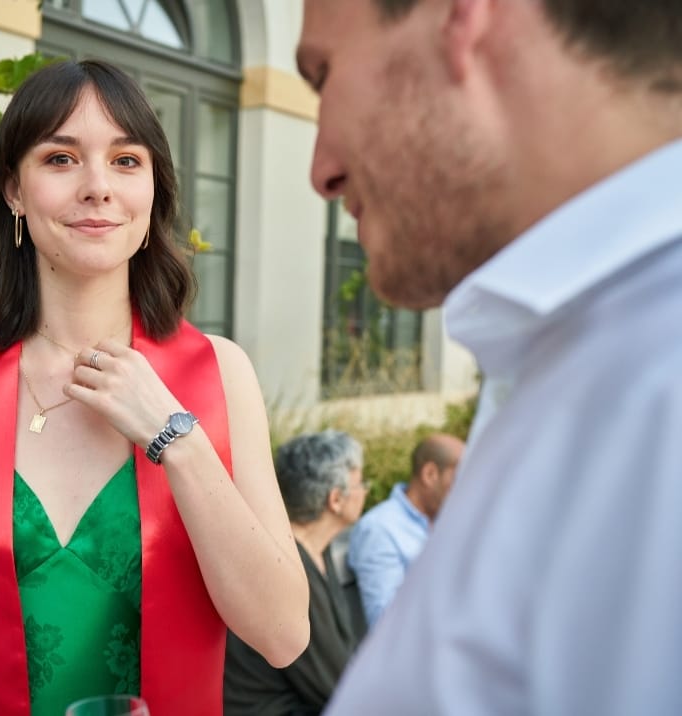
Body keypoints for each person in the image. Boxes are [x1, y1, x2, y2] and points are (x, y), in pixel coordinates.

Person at [0, 59, 309, 716]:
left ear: (154, 189)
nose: (98, 187)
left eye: (126, 160)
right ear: (14, 190)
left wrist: (174, 436)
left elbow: (284, 635)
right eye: (61, 159)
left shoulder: (218, 375)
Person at [297, 0, 682, 713]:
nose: (322, 170)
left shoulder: (654, 387)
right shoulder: (576, 350)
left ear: (461, 19)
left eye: (323, 75)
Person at [224, 430, 369, 716]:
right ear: (336, 500)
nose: (365, 490)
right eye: (360, 483)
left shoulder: (314, 550)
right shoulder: (291, 568)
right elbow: (337, 687)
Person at [347, 433, 463, 626]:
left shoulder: (449, 520)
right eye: (460, 478)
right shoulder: (380, 529)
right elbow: (385, 622)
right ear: (430, 474)